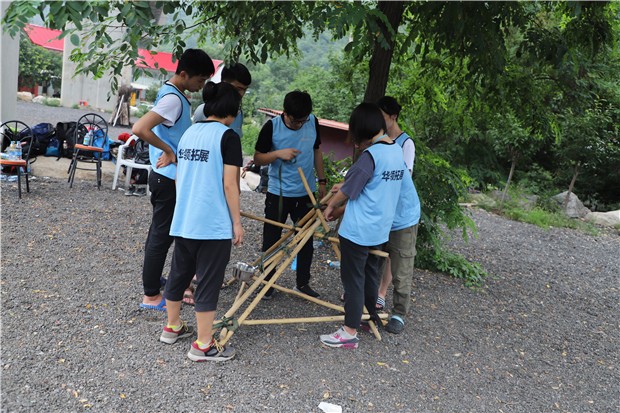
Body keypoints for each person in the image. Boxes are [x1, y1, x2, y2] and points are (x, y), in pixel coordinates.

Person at [159, 81, 243, 362]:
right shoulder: (228, 137)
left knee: (179, 273)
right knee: (208, 280)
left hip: (184, 218)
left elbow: (181, 176)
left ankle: (172, 327)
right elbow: (230, 185)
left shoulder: (190, 133)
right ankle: (203, 345)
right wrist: (236, 222)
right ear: (232, 110)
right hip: (212, 224)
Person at [132, 49, 215, 311]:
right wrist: (168, 150)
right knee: (161, 237)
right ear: (184, 74)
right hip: (167, 178)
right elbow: (140, 128)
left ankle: (154, 282)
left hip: (164, 177)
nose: (201, 86)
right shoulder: (173, 100)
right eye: (200, 80)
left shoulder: (173, 93)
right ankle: (151, 295)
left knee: (159, 234)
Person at [320, 102, 407, 349]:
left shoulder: (372, 155)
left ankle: (349, 331)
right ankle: (370, 318)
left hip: (358, 230)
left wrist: (330, 206)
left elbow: (350, 189)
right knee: (370, 276)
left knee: (353, 280)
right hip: (380, 229)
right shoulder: (395, 150)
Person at [253, 90, 327, 299]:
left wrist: (322, 180)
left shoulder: (312, 122)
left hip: (306, 190)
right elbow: (258, 158)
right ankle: (267, 283)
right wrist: (278, 154)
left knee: (305, 239)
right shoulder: (272, 127)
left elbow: (316, 150)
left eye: (303, 120)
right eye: (296, 121)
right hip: (279, 192)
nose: (300, 124)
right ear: (285, 113)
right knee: (272, 239)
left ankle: (302, 283)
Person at [376, 96, 421, 334]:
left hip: (403, 215)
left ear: (393, 116)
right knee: (375, 257)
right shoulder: (379, 140)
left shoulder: (405, 143)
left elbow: (401, 179)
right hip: (383, 212)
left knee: (401, 263)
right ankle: (371, 299)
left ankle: (399, 313)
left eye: (382, 116)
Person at [193, 63, 252, 138]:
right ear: (223, 84)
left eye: (244, 90)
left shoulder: (238, 113)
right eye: (238, 89)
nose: (241, 94)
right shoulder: (203, 110)